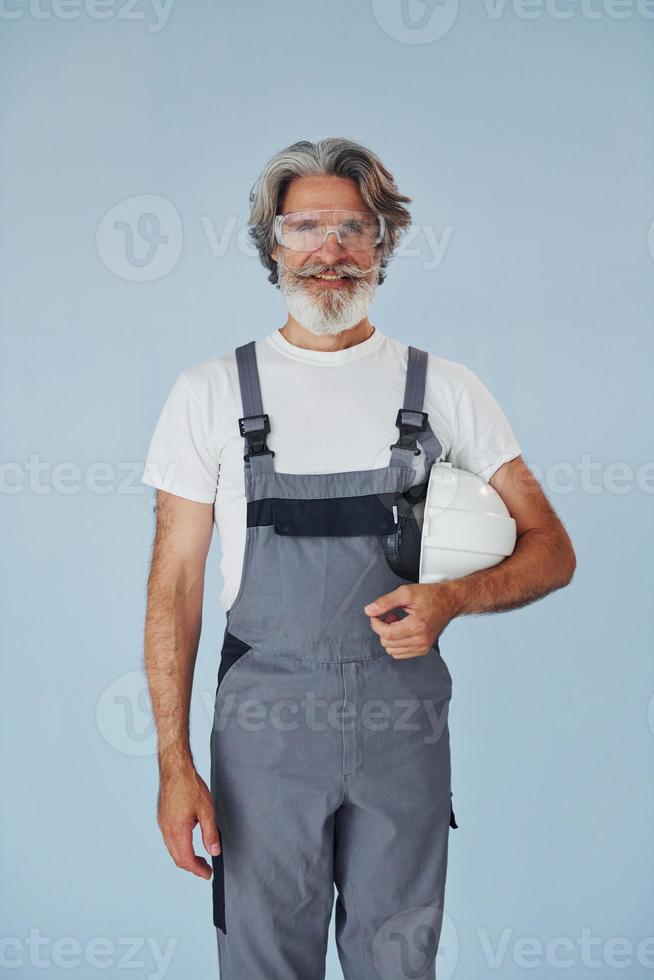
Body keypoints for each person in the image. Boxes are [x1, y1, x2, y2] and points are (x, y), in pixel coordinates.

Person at [141, 137, 576, 980]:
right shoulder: (210, 393)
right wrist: (174, 765)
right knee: (264, 964)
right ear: (273, 245)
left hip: (402, 732)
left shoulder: (444, 390)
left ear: (384, 244)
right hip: (262, 741)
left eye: (353, 229)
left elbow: (551, 550)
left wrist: (454, 600)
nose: (329, 251)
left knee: (398, 965)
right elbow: (176, 586)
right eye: (305, 227)